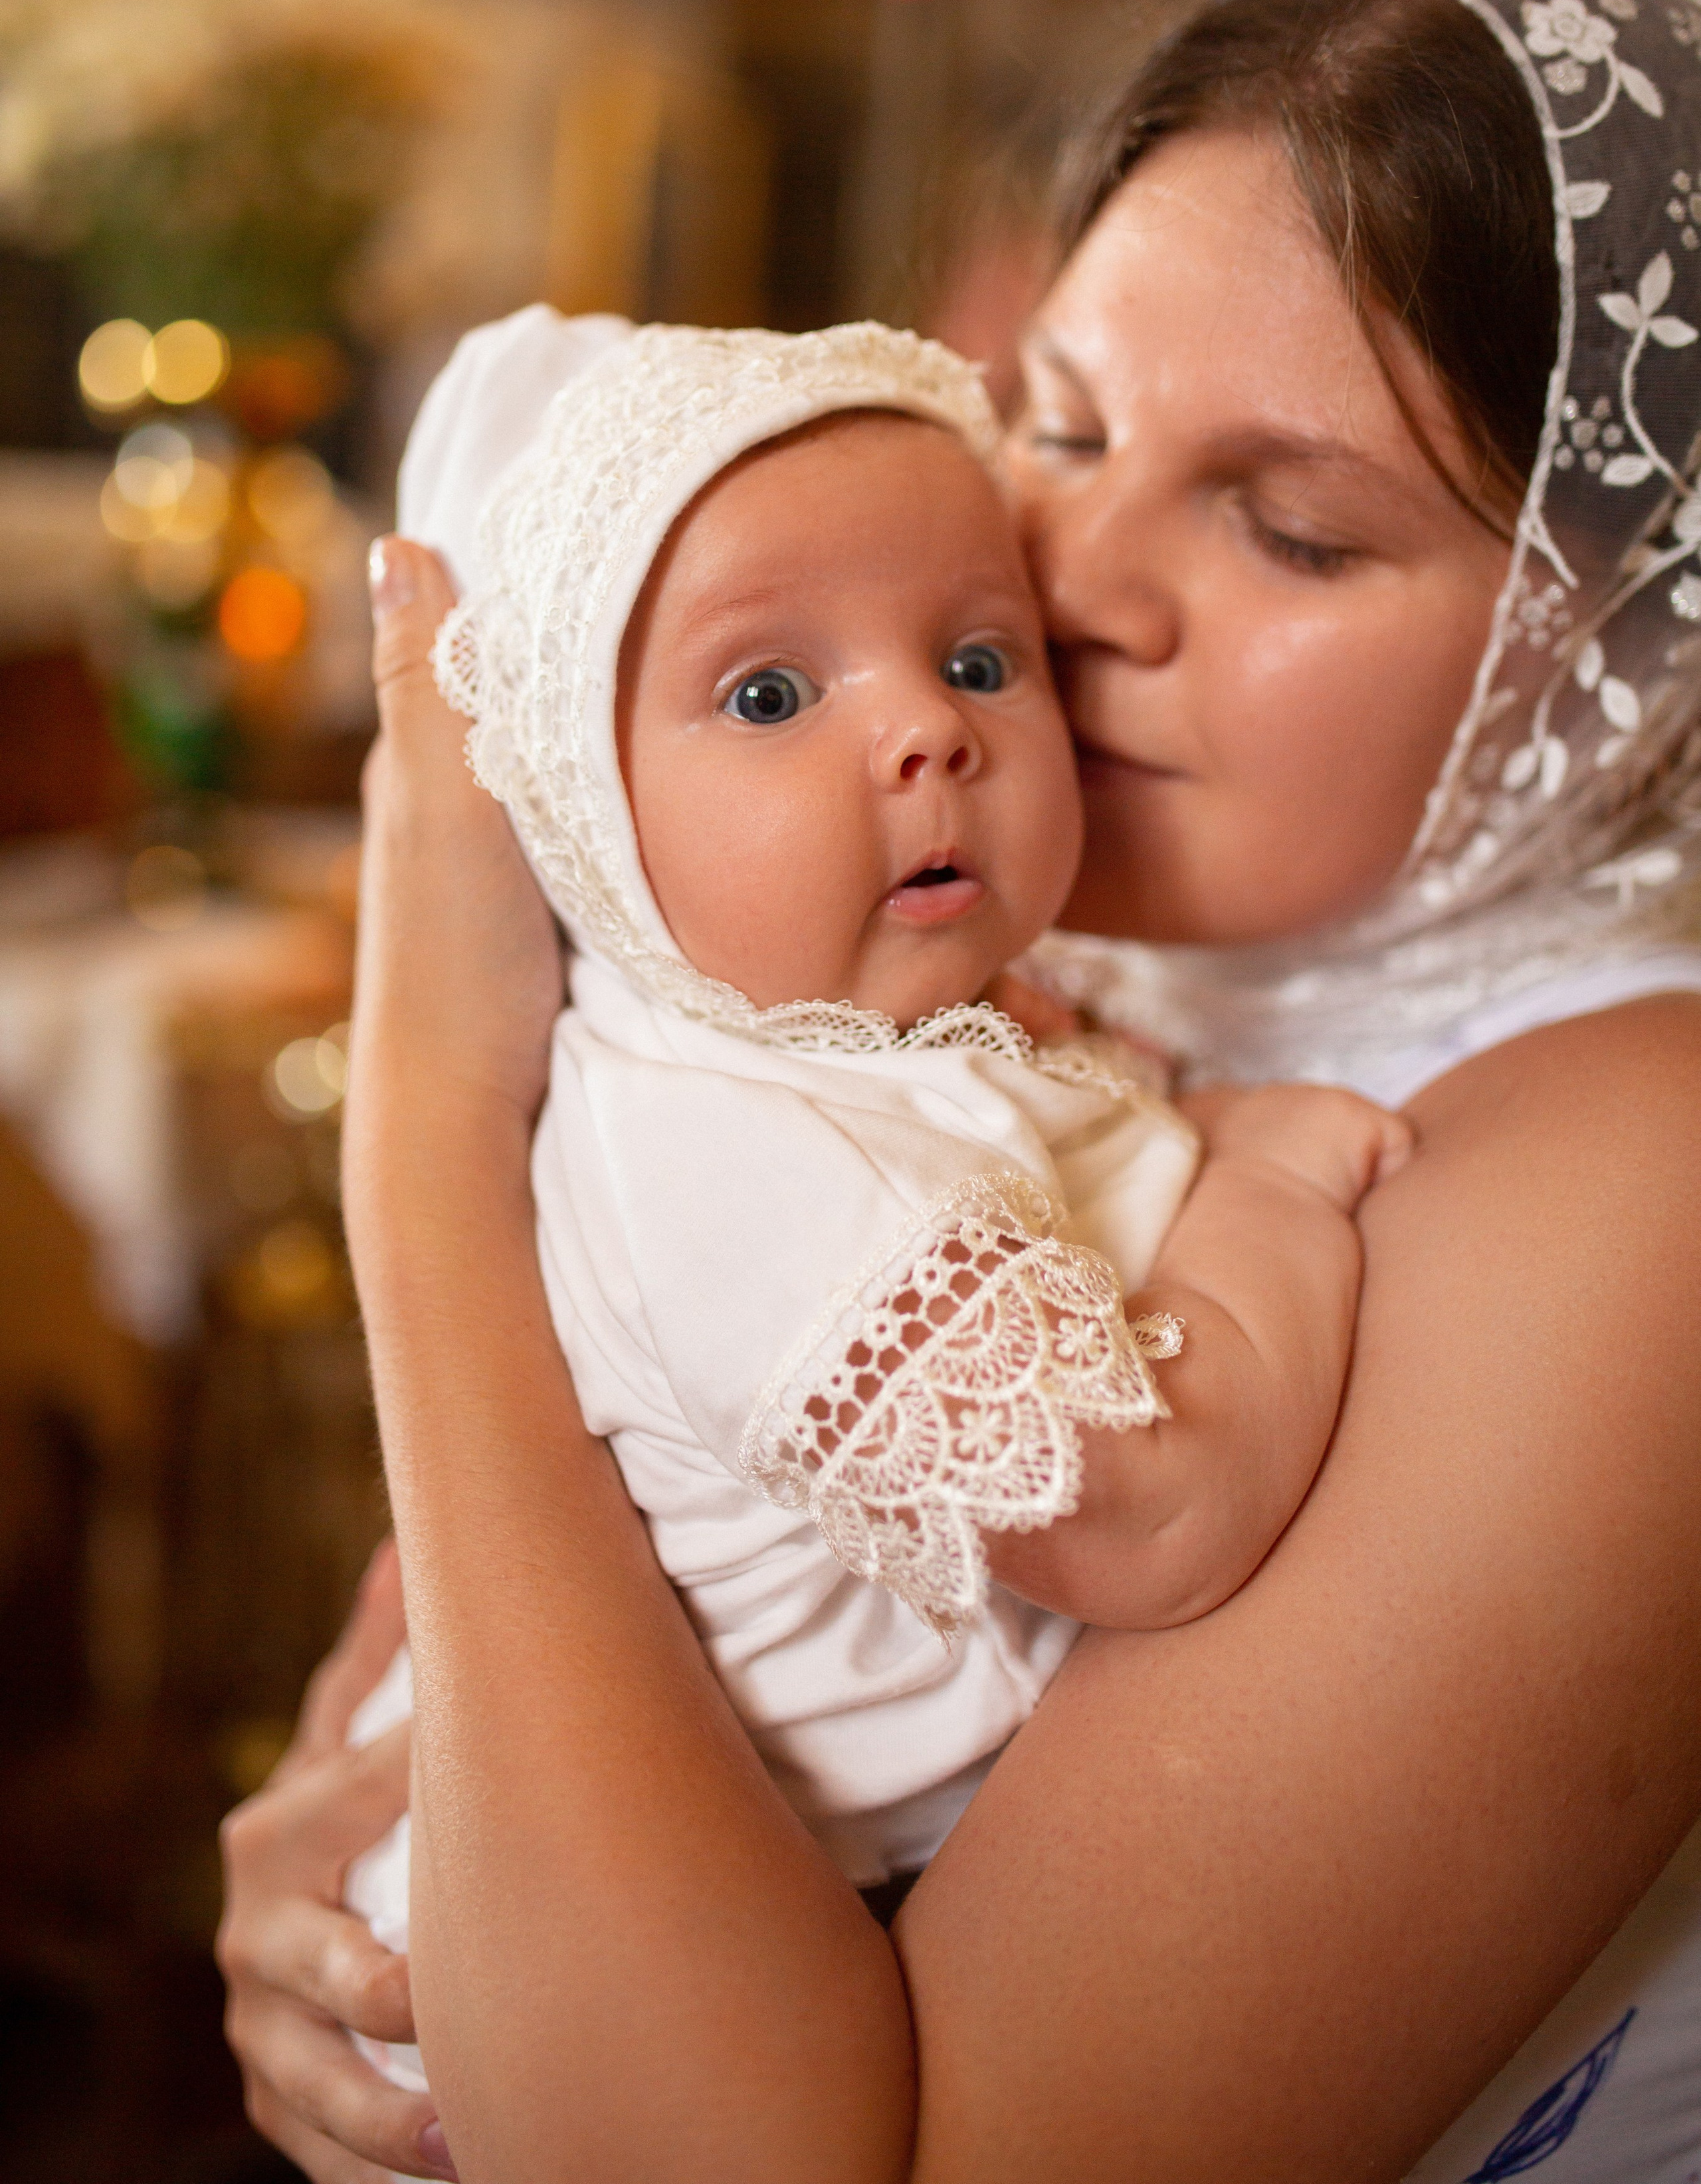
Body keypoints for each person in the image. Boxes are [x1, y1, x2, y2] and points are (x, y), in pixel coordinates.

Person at [218, 0, 1701, 2183]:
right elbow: (480, 1697)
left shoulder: (1635, 1186)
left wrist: (435, 1126)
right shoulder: (955, 999)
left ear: (1627, 644)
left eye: (1293, 527)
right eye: (1068, 422)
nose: (1076, 574)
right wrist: (345, 1911)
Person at [340, 314, 1407, 2075]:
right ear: (579, 825)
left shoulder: (900, 1040)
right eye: (768, 694)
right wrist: (1274, 1190)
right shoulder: (719, 1139)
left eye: (985, 658)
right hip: (631, 2000)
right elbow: (1147, 1514)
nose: (927, 726)